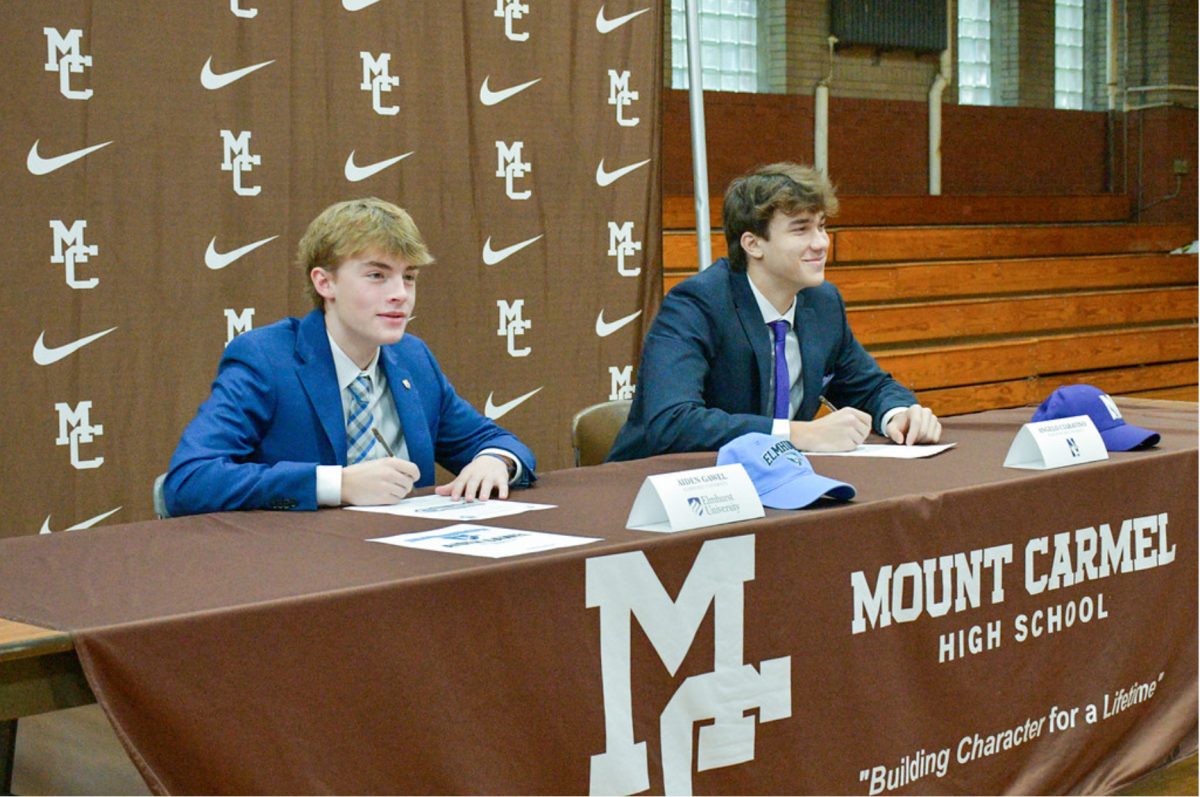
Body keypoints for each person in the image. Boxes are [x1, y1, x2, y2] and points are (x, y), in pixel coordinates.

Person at [164, 197, 535, 516]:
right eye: (377, 275)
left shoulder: (412, 358)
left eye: (409, 278)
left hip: (408, 563)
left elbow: (497, 442)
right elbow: (189, 480)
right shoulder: (266, 359)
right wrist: (337, 485)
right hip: (300, 571)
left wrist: (495, 461)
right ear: (325, 283)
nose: (400, 295)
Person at [608, 162, 941, 462]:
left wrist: (899, 413)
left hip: (771, 484)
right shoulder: (697, 304)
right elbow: (671, 422)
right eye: (801, 229)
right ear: (753, 244)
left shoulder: (822, 303)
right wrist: (799, 434)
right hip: (657, 488)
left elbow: (868, 386)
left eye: (821, 226)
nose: (821, 242)